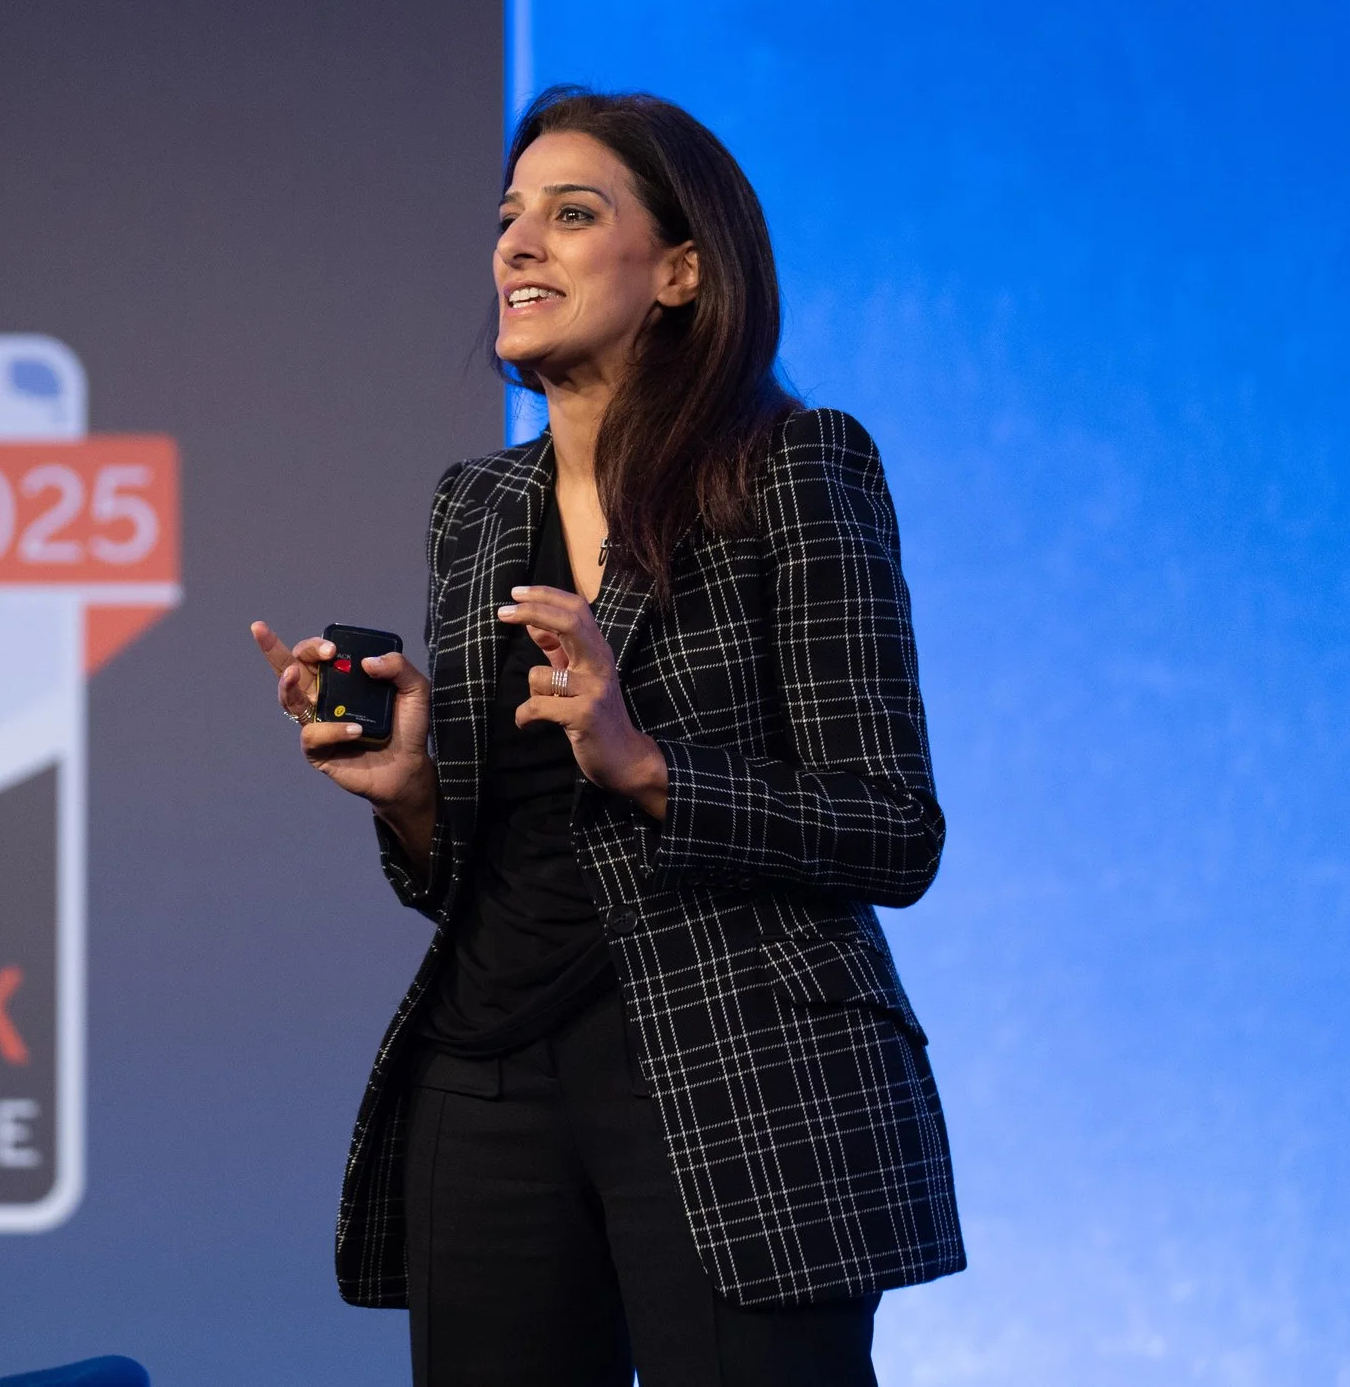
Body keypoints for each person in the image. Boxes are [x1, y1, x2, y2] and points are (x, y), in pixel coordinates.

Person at [250, 87, 963, 1386]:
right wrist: (411, 794)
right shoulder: (474, 508)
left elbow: (892, 825)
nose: (518, 244)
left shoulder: (794, 467)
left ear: (685, 269)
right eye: (510, 215)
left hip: (737, 1075)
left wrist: (649, 768)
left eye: (572, 214)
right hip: (489, 1072)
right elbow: (483, 858)